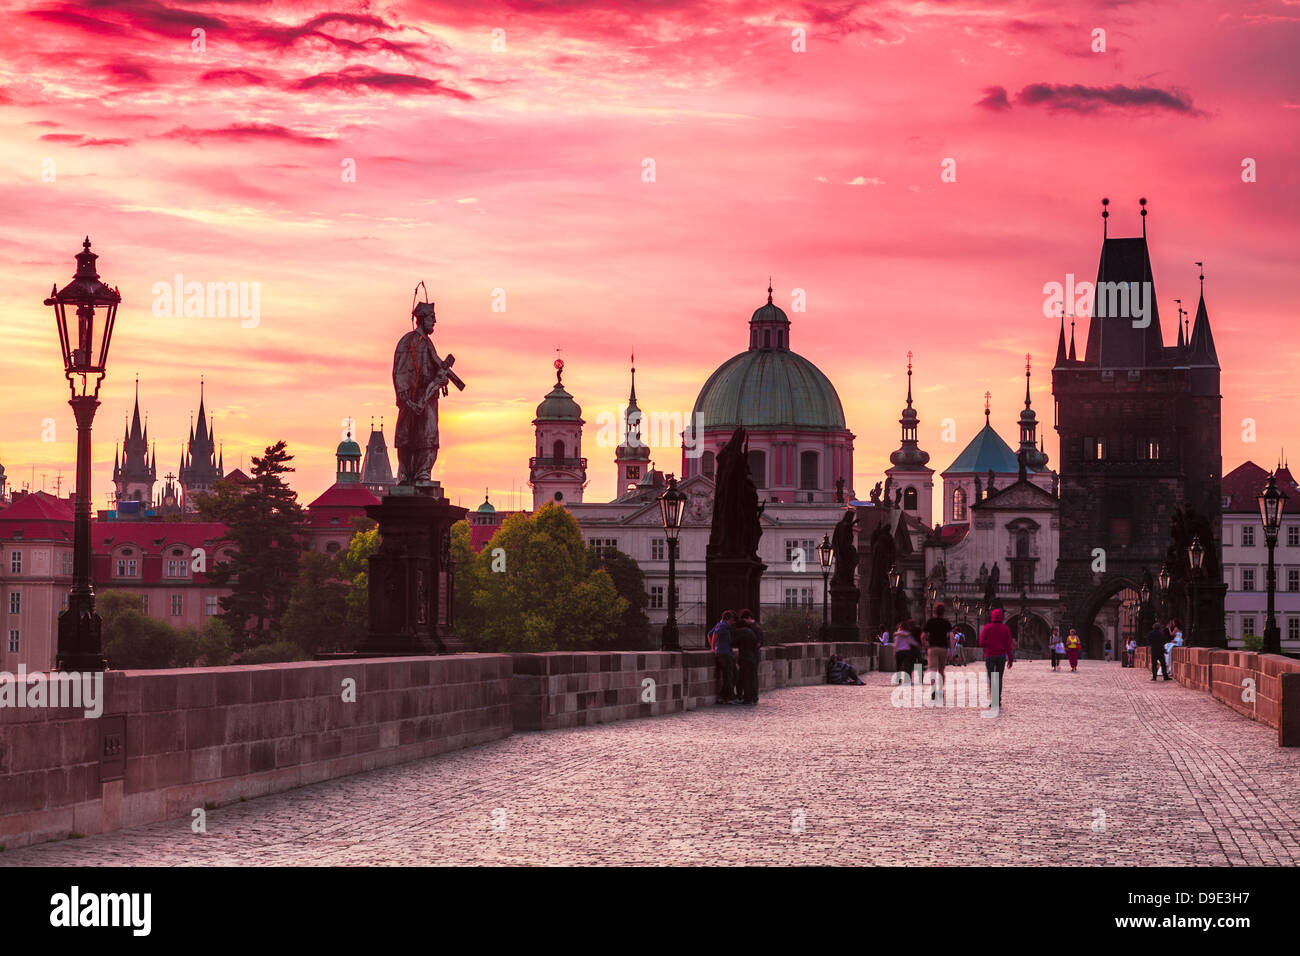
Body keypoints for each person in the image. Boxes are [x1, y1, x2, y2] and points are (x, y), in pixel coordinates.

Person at [978, 608, 1014, 711]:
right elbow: (1009, 645)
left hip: (990, 655)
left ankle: (993, 700)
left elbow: (981, 642)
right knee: (998, 678)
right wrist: (1010, 659)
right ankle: (997, 699)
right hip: (1001, 656)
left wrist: (988, 644)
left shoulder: (987, 627)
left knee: (992, 678)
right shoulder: (1005, 629)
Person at [922, 603, 953, 700]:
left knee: (933, 671)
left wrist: (925, 645)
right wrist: (952, 650)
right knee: (941, 671)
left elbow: (922, 636)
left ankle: (934, 690)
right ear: (943, 612)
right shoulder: (946, 622)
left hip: (933, 648)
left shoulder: (930, 622)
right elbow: (951, 637)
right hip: (943, 648)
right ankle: (940, 689)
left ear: (934, 611)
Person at [734, 609, 762, 705]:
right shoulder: (754, 629)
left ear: (748, 618)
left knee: (746, 678)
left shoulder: (752, 629)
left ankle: (748, 698)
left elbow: (734, 642)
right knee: (752, 678)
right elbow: (757, 644)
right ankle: (753, 698)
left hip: (746, 657)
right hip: (753, 657)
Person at [710, 610, 738, 703]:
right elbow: (714, 635)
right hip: (724, 653)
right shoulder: (723, 626)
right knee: (729, 676)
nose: (732, 622)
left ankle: (724, 696)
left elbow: (709, 634)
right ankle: (728, 697)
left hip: (726, 653)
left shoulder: (719, 624)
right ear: (729, 619)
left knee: (732, 675)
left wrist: (714, 647)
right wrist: (713, 648)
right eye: (732, 620)